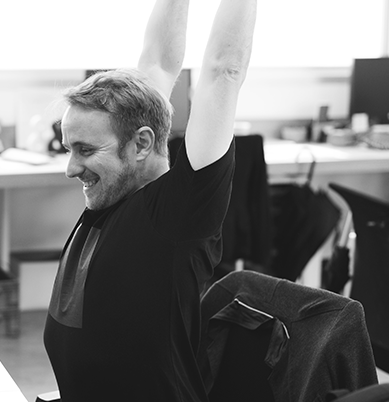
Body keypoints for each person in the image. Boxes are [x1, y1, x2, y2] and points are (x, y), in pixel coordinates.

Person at [42, 0, 257, 400]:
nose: (71, 169)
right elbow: (157, 60)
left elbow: (222, 72)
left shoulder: (177, 214)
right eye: (68, 149)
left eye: (85, 150)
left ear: (141, 143)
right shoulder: (116, 192)